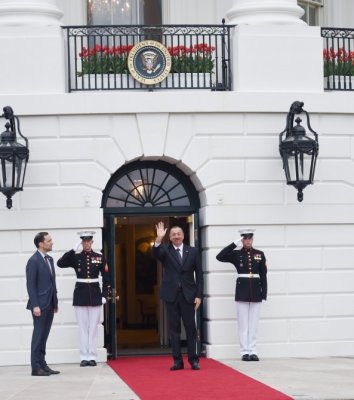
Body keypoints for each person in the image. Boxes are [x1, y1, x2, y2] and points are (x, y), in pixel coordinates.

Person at [152, 221, 203, 371]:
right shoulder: (165, 250)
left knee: (191, 329)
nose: (176, 236)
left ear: (183, 235)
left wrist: (199, 296)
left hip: (189, 296)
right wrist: (158, 239)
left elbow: (199, 275)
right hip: (171, 295)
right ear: (170, 237)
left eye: (178, 234)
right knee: (174, 330)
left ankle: (193, 360)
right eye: (173, 234)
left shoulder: (192, 251)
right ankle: (177, 361)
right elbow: (155, 253)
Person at [57, 231, 111, 367]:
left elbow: (107, 278)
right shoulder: (75, 257)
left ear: (92, 242)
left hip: (95, 295)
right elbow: (60, 263)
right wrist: (73, 249)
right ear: (81, 243)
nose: (86, 243)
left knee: (93, 328)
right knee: (82, 327)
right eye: (84, 241)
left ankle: (92, 356)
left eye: (89, 241)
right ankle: (84, 356)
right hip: (80, 295)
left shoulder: (99, 257)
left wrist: (105, 295)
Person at [216, 229, 267, 362]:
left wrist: (264, 293)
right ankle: (245, 352)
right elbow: (219, 256)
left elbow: (263, 275)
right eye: (245, 238)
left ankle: (253, 351)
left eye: (250, 238)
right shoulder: (236, 254)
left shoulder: (260, 254)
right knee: (243, 323)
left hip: (256, 291)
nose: (248, 240)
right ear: (242, 240)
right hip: (242, 291)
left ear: (253, 239)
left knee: (253, 324)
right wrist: (234, 243)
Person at [26, 232, 59, 376]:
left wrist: (55, 302)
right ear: (41, 243)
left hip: (50, 304)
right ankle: (35, 367)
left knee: (44, 336)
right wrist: (35, 305)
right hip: (39, 305)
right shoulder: (33, 261)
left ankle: (43, 364)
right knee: (38, 336)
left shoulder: (49, 259)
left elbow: (52, 283)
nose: (52, 242)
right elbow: (31, 285)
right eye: (49, 240)